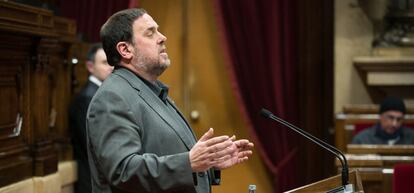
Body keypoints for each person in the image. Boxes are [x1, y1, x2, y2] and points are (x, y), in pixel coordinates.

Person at [86, 8, 254, 193]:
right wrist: (188, 162)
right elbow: (123, 170)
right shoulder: (113, 97)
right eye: (150, 33)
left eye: (158, 30)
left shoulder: (150, 90)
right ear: (125, 49)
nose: (162, 37)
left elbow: (167, 154)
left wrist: (208, 164)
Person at [69, 43, 114, 193]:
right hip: (92, 179)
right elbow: (93, 143)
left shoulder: (102, 92)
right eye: (104, 62)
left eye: (112, 62)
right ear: (90, 66)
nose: (111, 67)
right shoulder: (87, 97)